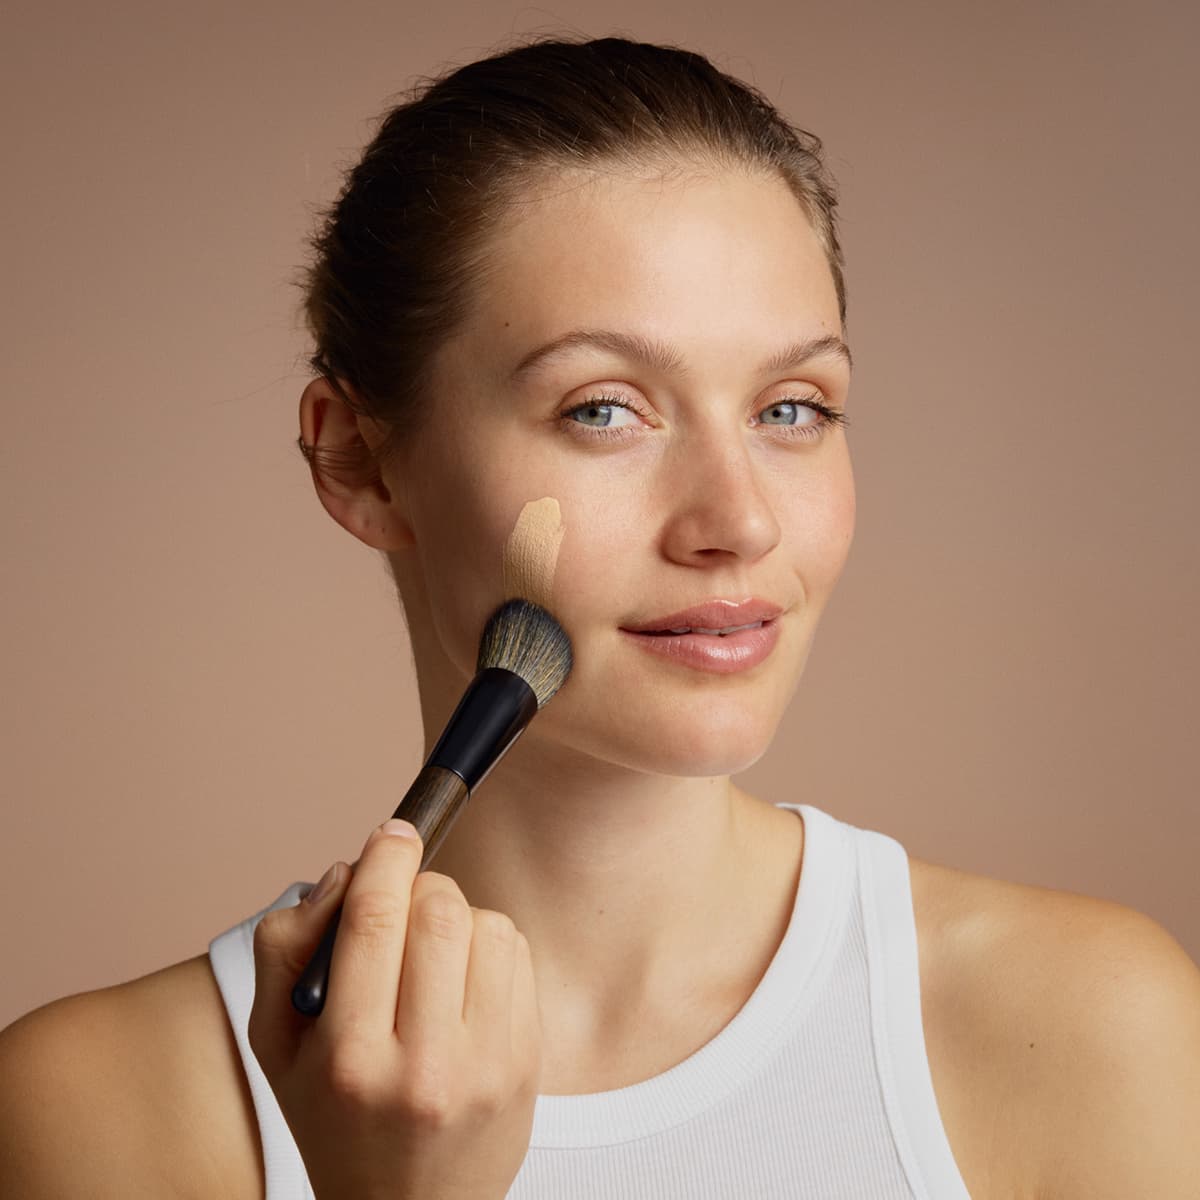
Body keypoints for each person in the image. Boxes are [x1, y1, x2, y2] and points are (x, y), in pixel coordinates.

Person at [2, 32, 1198, 1200]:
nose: (737, 521)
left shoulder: (1093, 1030)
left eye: (791, 408)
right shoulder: (99, 1111)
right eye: (603, 410)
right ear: (362, 460)